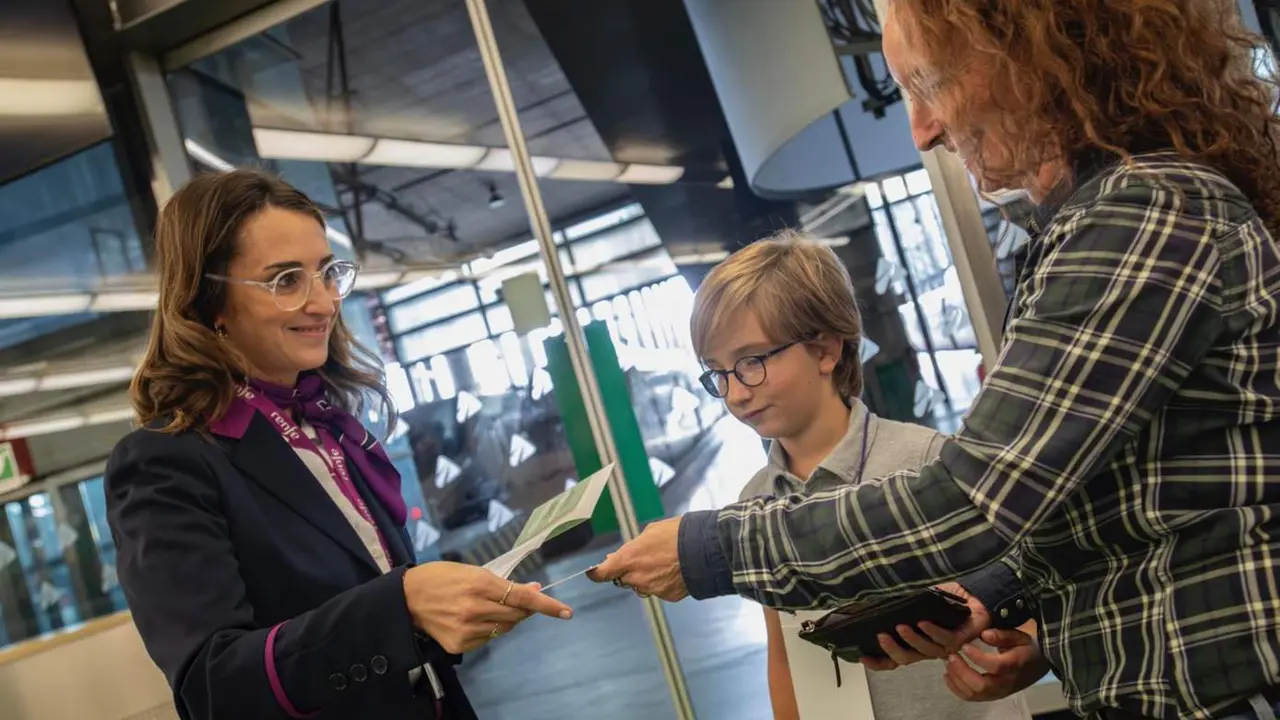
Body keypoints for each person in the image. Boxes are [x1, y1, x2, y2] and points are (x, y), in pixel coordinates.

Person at [588, 2, 1280, 719]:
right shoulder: (1100, 220)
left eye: (930, 82)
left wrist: (710, 551)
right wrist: (994, 596)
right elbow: (1116, 502)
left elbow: (974, 500)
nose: (922, 128)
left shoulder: (1142, 215)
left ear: (1030, 53)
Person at [107, 169, 573, 720]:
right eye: (285, 281)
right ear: (212, 303)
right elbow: (213, 686)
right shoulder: (167, 463)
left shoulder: (327, 427)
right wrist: (397, 608)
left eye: (327, 273)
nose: (324, 302)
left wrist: (446, 610)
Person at [693, 233, 1032, 720]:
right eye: (717, 373)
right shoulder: (752, 503)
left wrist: (1025, 655)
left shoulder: (931, 464)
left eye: (750, 363)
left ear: (826, 350)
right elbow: (783, 653)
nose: (734, 394)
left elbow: (1026, 578)